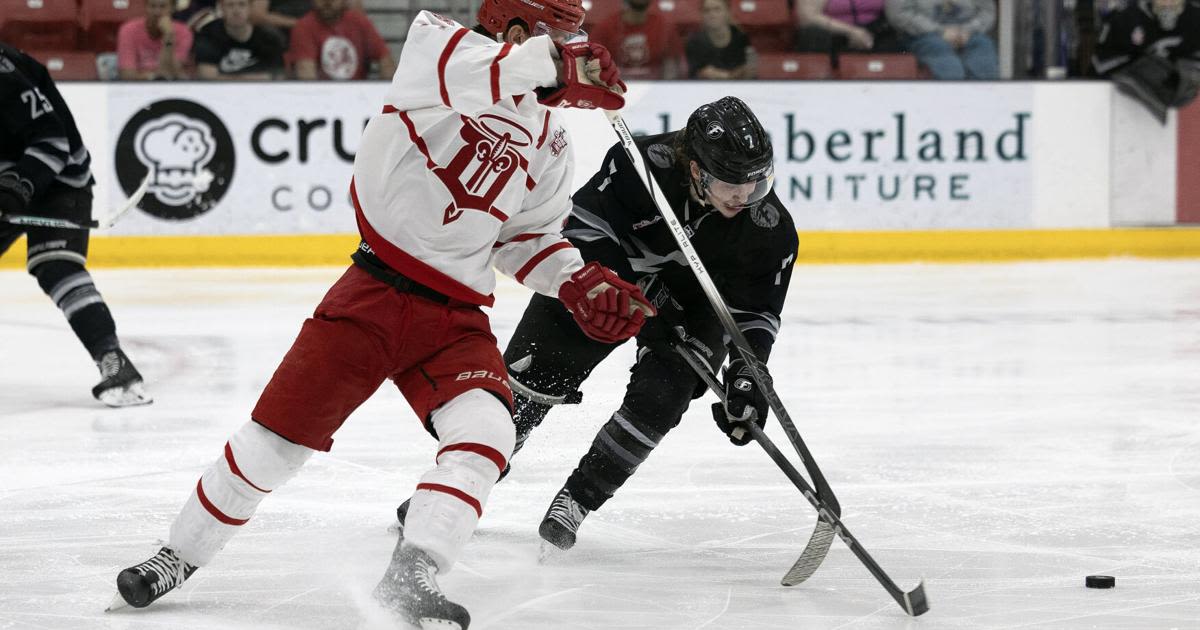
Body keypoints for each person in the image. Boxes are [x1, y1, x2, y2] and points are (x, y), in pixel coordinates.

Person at [111, 0, 651, 627]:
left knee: (488, 435)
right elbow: (497, 67)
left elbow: (523, 238)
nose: (571, 48)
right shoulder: (437, 48)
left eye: (574, 39)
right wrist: (556, 64)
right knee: (273, 447)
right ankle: (177, 554)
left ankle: (413, 568)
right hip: (372, 296)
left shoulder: (551, 141)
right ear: (515, 28)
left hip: (455, 317)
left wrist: (576, 279)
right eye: (559, 36)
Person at [395, 97, 797, 552]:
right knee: (529, 384)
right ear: (697, 170)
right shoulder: (641, 166)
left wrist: (749, 376)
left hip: (692, 306)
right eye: (732, 183)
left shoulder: (769, 229)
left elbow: (755, 315)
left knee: (664, 396)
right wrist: (636, 297)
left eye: (757, 182)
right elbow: (582, 228)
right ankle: (454, 497)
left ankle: (578, 501)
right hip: (606, 278)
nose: (745, 196)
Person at [0, 43, 152, 408]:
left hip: (59, 178)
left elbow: (53, 140)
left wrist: (18, 186)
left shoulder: (5, 73)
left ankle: (114, 362)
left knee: (56, 266)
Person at [1093, 0, 1200, 122]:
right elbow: (1101, 69)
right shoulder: (1125, 18)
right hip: (1123, 116)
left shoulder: (1196, 17)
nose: (1168, 3)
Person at [884, 0, 998, 79]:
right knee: (945, 60)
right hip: (922, 34)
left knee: (983, 46)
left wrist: (966, 30)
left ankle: (983, 103)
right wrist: (940, 31)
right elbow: (899, 14)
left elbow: (987, 12)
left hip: (968, 33)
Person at [286, 0, 394, 80]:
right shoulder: (304, 26)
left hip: (359, 94)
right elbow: (306, 73)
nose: (327, 2)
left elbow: (386, 60)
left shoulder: (359, 21)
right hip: (321, 95)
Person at [590, 0, 684, 80]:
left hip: (656, 91)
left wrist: (665, 89)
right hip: (616, 91)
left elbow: (674, 66)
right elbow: (592, 66)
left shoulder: (664, 27)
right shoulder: (604, 28)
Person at [194, 0, 286, 80]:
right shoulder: (208, 34)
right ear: (221, 8)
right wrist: (251, 79)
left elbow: (278, 76)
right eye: (230, 5)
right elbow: (207, 77)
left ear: (250, 8)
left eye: (242, 4)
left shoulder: (269, 37)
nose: (236, 11)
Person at [116, 0, 193, 80]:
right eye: (152, 6)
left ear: (172, 8)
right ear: (145, 7)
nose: (157, 12)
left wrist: (168, 36)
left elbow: (172, 73)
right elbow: (127, 75)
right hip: (138, 88)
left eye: (163, 7)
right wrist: (154, 76)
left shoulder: (184, 32)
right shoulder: (128, 30)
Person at [795, 0, 903, 53]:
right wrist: (851, 31)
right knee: (813, 35)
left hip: (876, 31)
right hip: (834, 33)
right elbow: (807, 16)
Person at [686, 0, 758, 79]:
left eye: (717, 9)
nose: (712, 14)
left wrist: (729, 75)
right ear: (702, 14)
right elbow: (698, 75)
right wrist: (734, 74)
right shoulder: (694, 42)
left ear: (728, 12)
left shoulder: (741, 38)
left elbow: (749, 71)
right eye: (707, 10)